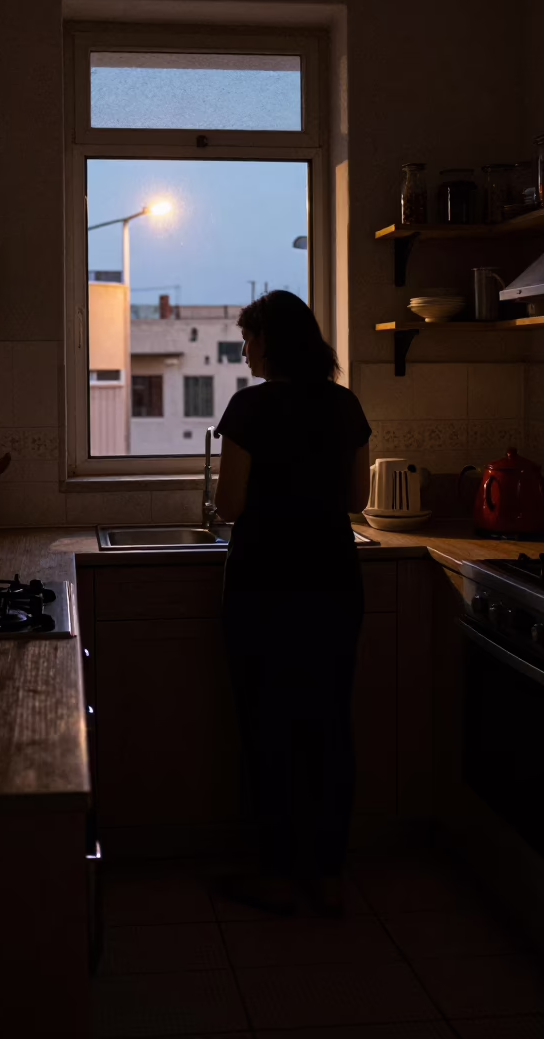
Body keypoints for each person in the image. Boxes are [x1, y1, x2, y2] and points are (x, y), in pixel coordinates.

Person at [213, 290, 371, 917]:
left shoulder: (249, 408)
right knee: (330, 725)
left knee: (267, 727)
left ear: (270, 342)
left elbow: (228, 507)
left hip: (263, 584)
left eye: (249, 338)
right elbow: (358, 498)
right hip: (333, 579)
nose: (244, 349)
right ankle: (327, 875)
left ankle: (277, 873)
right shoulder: (344, 405)